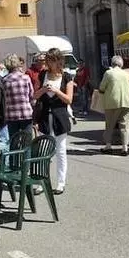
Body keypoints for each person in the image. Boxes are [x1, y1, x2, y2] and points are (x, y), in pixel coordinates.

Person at [34, 48, 75, 194]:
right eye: (47, 60)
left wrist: (57, 91)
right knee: (44, 151)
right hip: (45, 116)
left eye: (51, 60)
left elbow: (69, 99)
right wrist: (44, 90)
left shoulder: (67, 77)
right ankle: (41, 181)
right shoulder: (43, 74)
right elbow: (35, 95)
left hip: (60, 116)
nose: (48, 63)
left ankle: (60, 183)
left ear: (58, 61)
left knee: (60, 151)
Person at [98, 56, 129, 156]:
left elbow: (102, 87)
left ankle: (108, 146)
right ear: (121, 64)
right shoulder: (126, 74)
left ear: (112, 63)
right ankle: (124, 148)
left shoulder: (108, 73)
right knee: (125, 125)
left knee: (110, 124)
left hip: (112, 102)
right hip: (126, 101)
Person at [2, 54, 34, 141]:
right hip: (26, 113)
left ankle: (14, 155)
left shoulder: (4, 80)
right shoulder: (26, 78)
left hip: (11, 114)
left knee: (13, 141)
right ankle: (26, 155)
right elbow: (31, 95)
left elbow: (4, 98)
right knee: (26, 142)